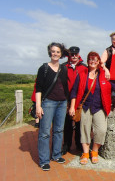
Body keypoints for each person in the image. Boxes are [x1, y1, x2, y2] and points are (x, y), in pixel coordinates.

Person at [69, 51, 115, 165]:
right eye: (91, 60)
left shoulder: (103, 74)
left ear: (98, 62)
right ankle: (86, 153)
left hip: (99, 107)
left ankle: (94, 151)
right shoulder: (82, 74)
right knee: (84, 130)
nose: (93, 62)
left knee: (101, 130)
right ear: (87, 61)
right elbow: (74, 92)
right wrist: (72, 107)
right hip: (85, 107)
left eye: (95, 60)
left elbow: (114, 86)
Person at [35, 42, 69, 171]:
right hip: (48, 102)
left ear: (61, 54)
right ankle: (44, 160)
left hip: (62, 103)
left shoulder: (64, 68)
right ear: (50, 52)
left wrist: (66, 102)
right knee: (44, 133)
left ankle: (56, 154)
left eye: (58, 52)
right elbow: (38, 88)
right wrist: (38, 106)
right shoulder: (43, 68)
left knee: (59, 130)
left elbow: (65, 87)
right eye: (53, 51)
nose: (55, 54)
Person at [61, 46, 88, 155]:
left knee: (79, 123)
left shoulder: (84, 67)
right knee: (66, 124)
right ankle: (66, 145)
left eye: (75, 54)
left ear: (78, 54)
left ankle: (78, 144)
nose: (74, 56)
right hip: (66, 99)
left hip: (80, 100)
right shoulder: (63, 67)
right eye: (71, 54)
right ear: (68, 55)